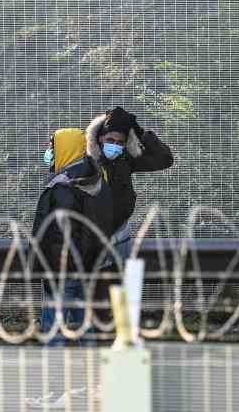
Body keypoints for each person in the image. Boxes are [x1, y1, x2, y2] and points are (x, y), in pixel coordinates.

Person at [84, 106, 174, 328]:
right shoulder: (87, 160)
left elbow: (164, 159)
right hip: (92, 233)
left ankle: (119, 329)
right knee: (96, 286)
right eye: (110, 139)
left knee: (120, 283)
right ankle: (96, 329)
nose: (114, 145)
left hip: (120, 232)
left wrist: (140, 132)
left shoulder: (125, 160)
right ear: (99, 137)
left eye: (120, 141)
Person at [32, 128, 116, 344]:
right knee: (85, 326)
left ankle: (54, 373)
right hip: (90, 267)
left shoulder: (63, 187)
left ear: (65, 149)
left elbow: (58, 235)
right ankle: (92, 373)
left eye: (53, 147)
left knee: (55, 330)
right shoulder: (97, 179)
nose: (50, 152)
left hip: (63, 269)